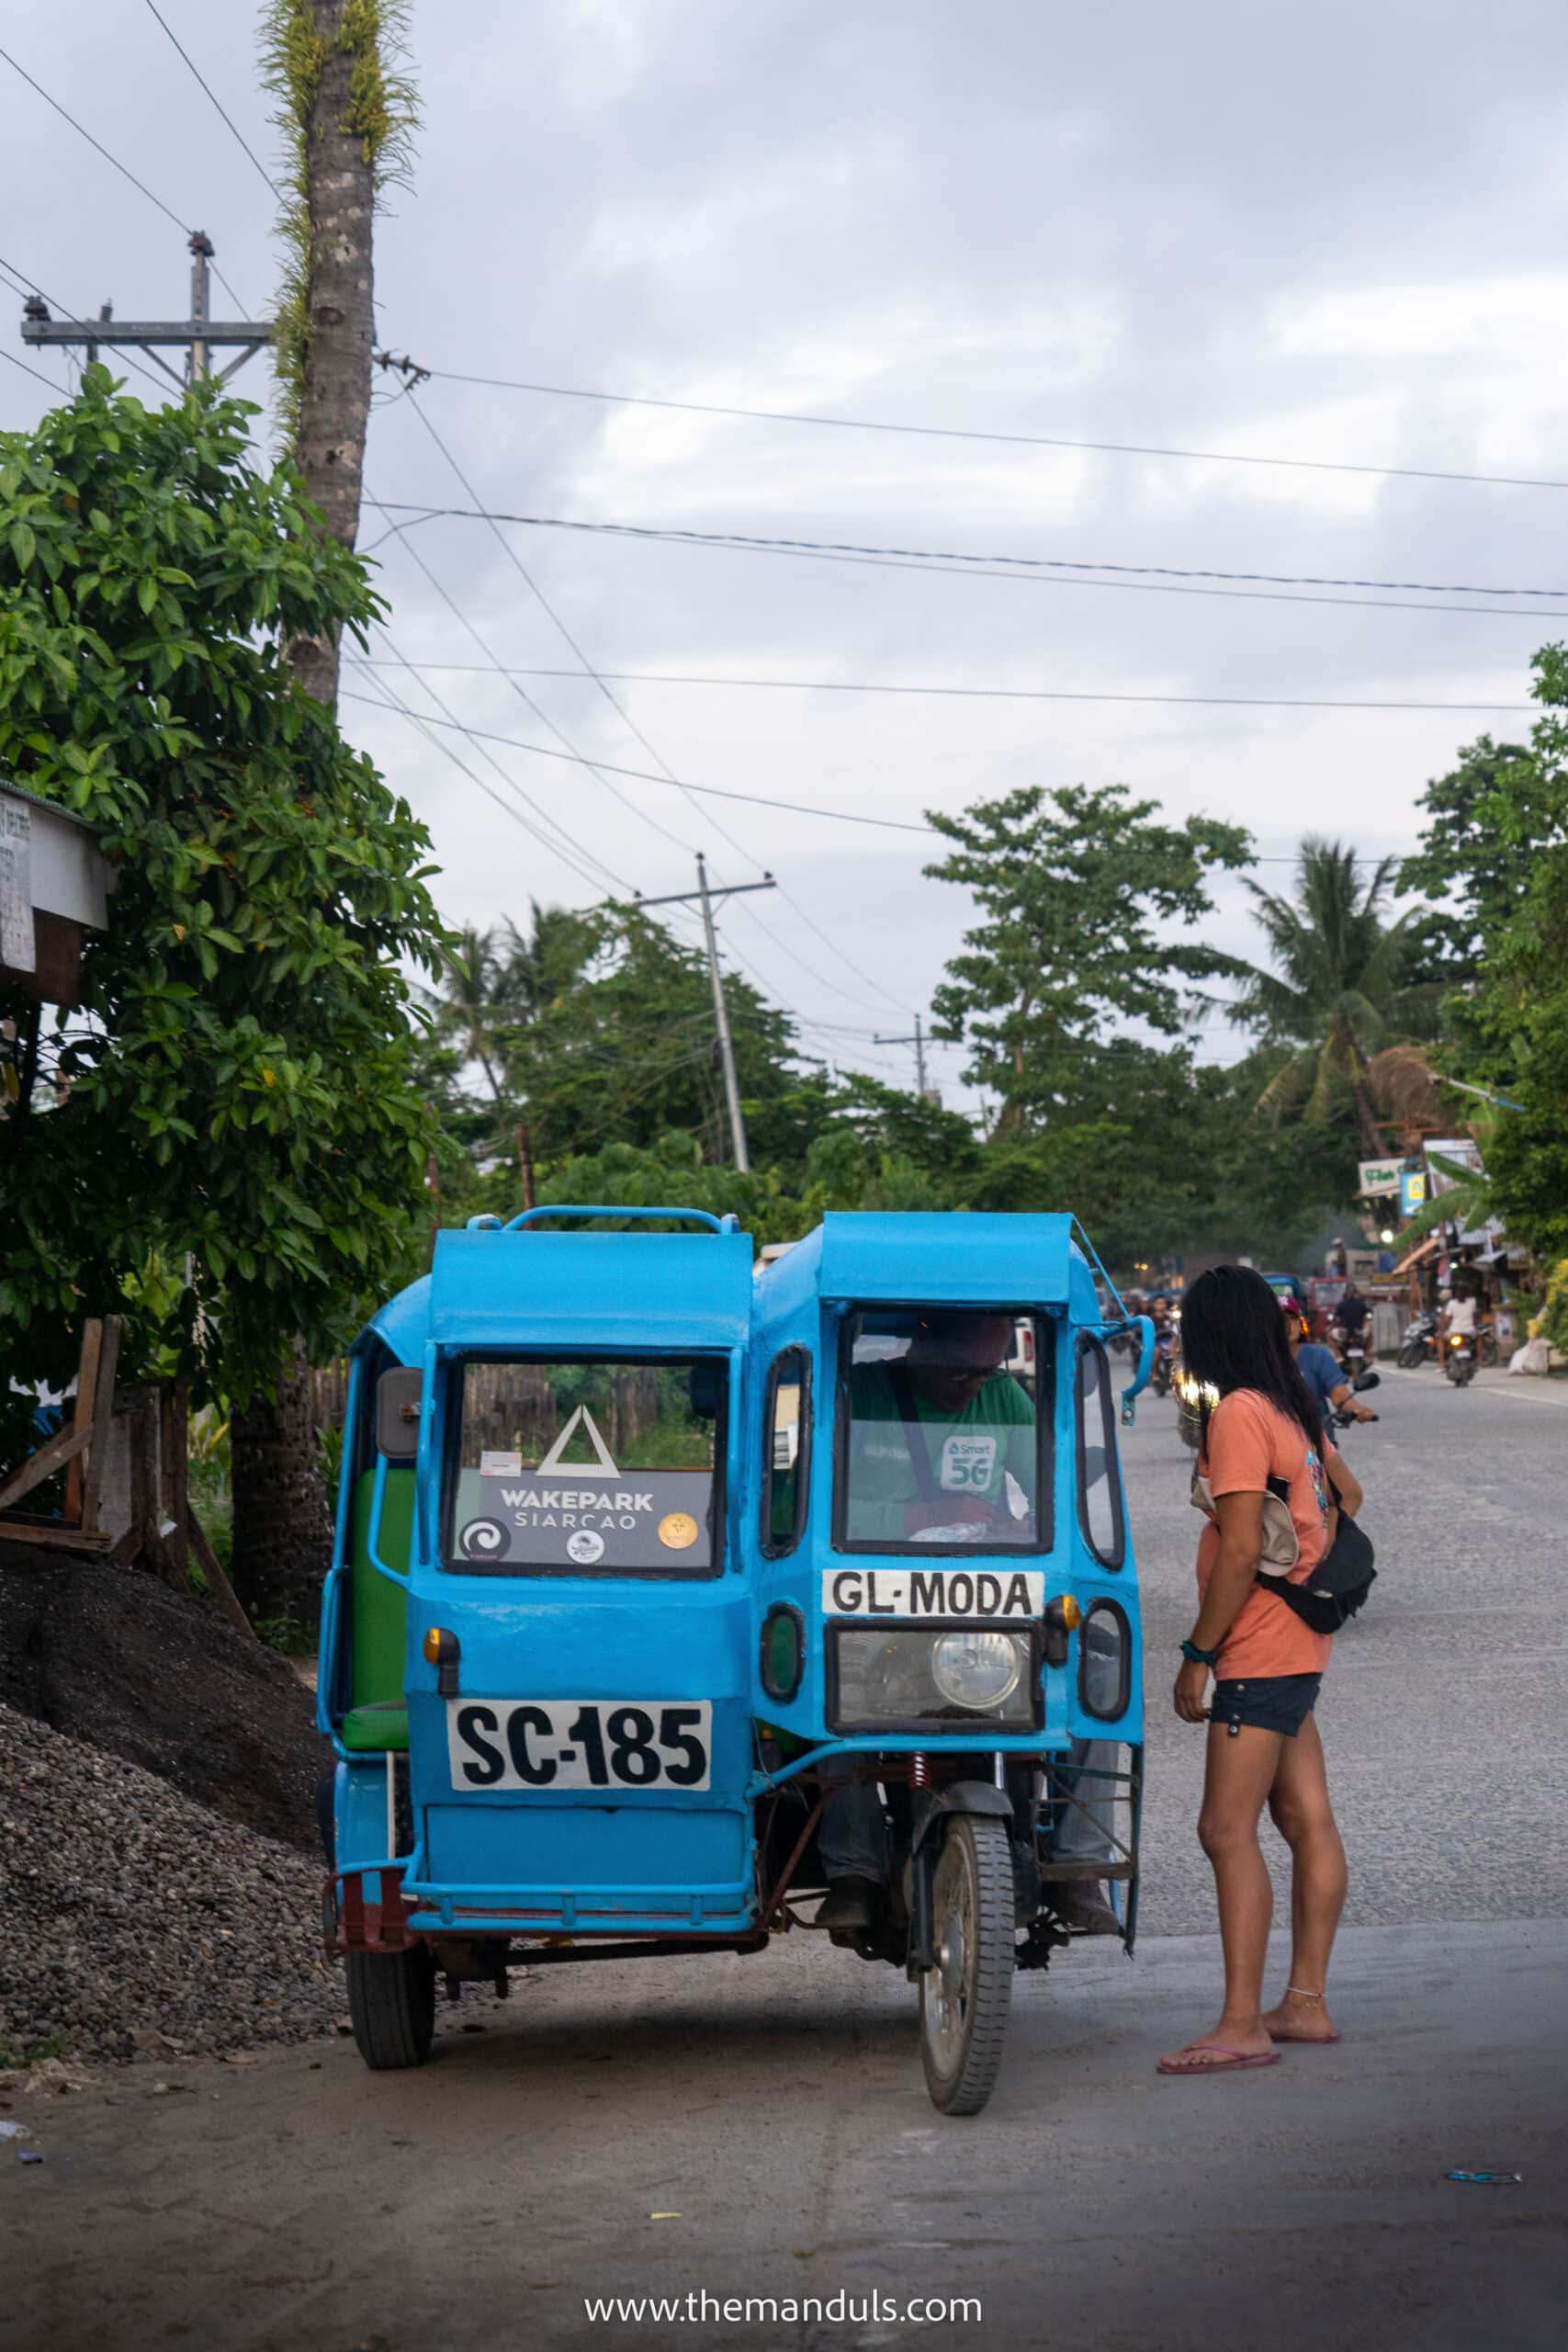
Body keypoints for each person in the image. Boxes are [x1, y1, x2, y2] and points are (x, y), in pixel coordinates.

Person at [1157, 1263, 1363, 2076]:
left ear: (1209, 1333)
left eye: (1184, 1325)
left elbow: (1241, 1548)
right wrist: (1307, 1544)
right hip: (1298, 1643)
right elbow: (1349, 1491)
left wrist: (1197, 1656)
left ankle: (1241, 2022)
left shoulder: (1239, 1414)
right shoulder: (1292, 1409)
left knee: (1223, 1829)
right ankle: (1303, 2005)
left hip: (1257, 1647)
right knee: (1304, 1818)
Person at [1290, 1311, 1375, 1427]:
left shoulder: (1317, 1355)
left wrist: (1356, 1409)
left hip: (1318, 1437)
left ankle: (1360, 1354)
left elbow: (1338, 1394)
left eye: (1293, 1318)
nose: (1289, 1324)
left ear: (1300, 1323)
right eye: (1281, 1318)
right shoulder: (1259, 1361)